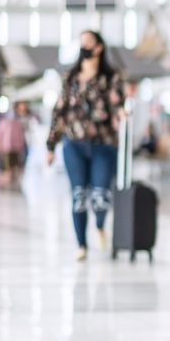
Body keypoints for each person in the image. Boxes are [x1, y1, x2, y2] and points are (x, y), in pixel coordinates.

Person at [47, 30, 125, 262]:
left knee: (101, 195)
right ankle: (81, 244)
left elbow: (117, 103)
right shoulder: (70, 77)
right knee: (79, 194)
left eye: (88, 43)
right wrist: (51, 145)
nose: (84, 47)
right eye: (81, 43)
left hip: (104, 144)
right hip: (74, 144)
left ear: (99, 47)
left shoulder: (111, 77)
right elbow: (59, 110)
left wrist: (121, 112)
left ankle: (100, 226)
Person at [0, 108, 27, 189]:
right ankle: (7, 183)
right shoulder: (3, 123)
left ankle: (12, 182)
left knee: (15, 166)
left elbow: (21, 136)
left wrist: (21, 146)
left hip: (16, 148)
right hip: (6, 147)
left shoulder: (18, 123)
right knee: (7, 166)